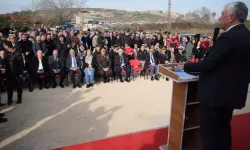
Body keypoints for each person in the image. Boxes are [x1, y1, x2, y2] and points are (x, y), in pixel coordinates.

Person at [177, 2, 250, 150]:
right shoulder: (247, 35)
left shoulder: (229, 38)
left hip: (215, 96)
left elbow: (209, 64)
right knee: (223, 130)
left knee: (210, 134)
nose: (219, 17)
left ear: (231, 17)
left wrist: (184, 66)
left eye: (222, 14)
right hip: (232, 95)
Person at [3, 40, 24, 105]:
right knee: (9, 87)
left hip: (17, 73)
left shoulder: (17, 53)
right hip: (9, 73)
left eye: (4, 45)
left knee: (19, 86)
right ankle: (10, 100)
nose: (3, 46)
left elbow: (21, 64)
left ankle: (19, 98)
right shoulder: (6, 52)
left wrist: (21, 73)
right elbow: (6, 62)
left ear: (7, 46)